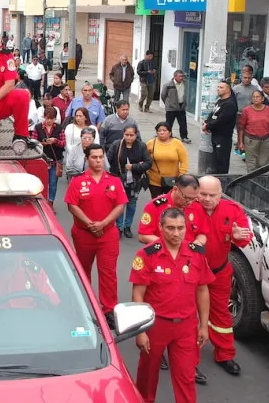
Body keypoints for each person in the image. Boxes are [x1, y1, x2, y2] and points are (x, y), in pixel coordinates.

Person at [130, 207, 214, 403]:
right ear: (160, 228)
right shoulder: (147, 255)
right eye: (170, 228)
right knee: (147, 375)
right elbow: (138, 293)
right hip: (155, 326)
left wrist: (204, 325)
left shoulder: (196, 254)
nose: (176, 233)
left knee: (186, 377)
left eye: (180, 228)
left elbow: (202, 290)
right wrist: (140, 331)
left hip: (186, 327)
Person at [64, 144, 128, 324]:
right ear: (87, 159)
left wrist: (103, 224)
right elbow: (72, 205)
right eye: (94, 157)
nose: (98, 161)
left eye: (101, 157)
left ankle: (109, 309)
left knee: (108, 273)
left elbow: (120, 205)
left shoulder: (114, 180)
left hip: (108, 235)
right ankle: (84, 306)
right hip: (84, 234)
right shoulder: (77, 181)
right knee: (83, 271)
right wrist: (90, 224)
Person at [197, 176, 252, 376]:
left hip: (219, 273)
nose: (207, 199)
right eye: (203, 194)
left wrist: (238, 237)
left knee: (221, 314)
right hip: (191, 274)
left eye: (212, 195)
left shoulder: (233, 210)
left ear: (220, 194)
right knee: (186, 315)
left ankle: (225, 354)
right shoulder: (188, 209)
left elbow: (245, 237)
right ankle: (188, 357)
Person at [138, 174, 209, 247]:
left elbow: (202, 233)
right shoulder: (155, 206)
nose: (190, 202)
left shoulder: (197, 206)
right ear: (175, 189)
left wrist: (198, 243)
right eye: (186, 198)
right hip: (162, 251)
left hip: (189, 252)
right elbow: (143, 236)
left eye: (193, 198)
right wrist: (171, 245)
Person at [108, 126, 152, 238]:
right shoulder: (117, 145)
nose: (129, 137)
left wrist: (133, 166)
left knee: (131, 204)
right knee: (119, 203)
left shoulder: (141, 146)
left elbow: (148, 163)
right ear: (123, 134)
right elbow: (108, 161)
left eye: (131, 135)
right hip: (118, 179)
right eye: (126, 135)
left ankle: (127, 226)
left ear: (136, 135)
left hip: (135, 181)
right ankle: (119, 227)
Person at [31, 107, 66, 203]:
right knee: (41, 182)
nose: (49, 121)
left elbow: (63, 143)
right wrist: (42, 143)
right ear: (44, 117)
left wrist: (55, 141)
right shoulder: (38, 127)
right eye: (47, 118)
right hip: (42, 160)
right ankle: (42, 202)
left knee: (53, 183)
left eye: (51, 118)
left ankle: (50, 202)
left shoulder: (59, 128)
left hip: (55, 160)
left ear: (55, 119)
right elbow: (33, 143)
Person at [202, 80, 238, 174]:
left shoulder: (230, 104)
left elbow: (221, 121)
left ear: (228, 90)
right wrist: (206, 123)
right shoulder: (220, 101)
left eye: (221, 87)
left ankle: (222, 181)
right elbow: (212, 114)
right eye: (218, 87)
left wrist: (208, 126)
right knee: (215, 163)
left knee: (221, 164)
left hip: (223, 138)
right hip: (215, 136)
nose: (218, 89)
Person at [238, 90, 269, 171]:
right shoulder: (247, 110)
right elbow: (241, 127)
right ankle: (252, 178)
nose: (255, 98)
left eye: (257, 97)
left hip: (266, 139)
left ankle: (261, 178)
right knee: (251, 164)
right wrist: (241, 142)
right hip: (250, 140)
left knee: (263, 163)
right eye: (253, 97)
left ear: (262, 98)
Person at [146, 122, 188, 198]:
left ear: (170, 132)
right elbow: (144, 158)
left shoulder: (177, 143)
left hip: (172, 180)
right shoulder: (151, 143)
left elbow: (184, 161)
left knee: (170, 201)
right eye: (159, 130)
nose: (161, 132)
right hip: (154, 180)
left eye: (164, 130)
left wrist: (181, 174)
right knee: (157, 201)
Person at [63, 108, 97, 178]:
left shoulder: (93, 128)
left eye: (80, 116)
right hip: (74, 156)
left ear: (86, 117)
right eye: (76, 116)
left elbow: (97, 144)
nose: (78, 118)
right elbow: (67, 143)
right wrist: (73, 153)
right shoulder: (70, 127)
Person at [161, 70, 191, 143]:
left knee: (183, 123)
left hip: (181, 107)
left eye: (182, 76)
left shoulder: (185, 83)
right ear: (175, 76)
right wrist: (168, 104)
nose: (181, 78)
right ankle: (168, 136)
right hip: (171, 108)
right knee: (169, 124)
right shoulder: (168, 85)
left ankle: (184, 137)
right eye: (179, 76)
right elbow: (163, 95)